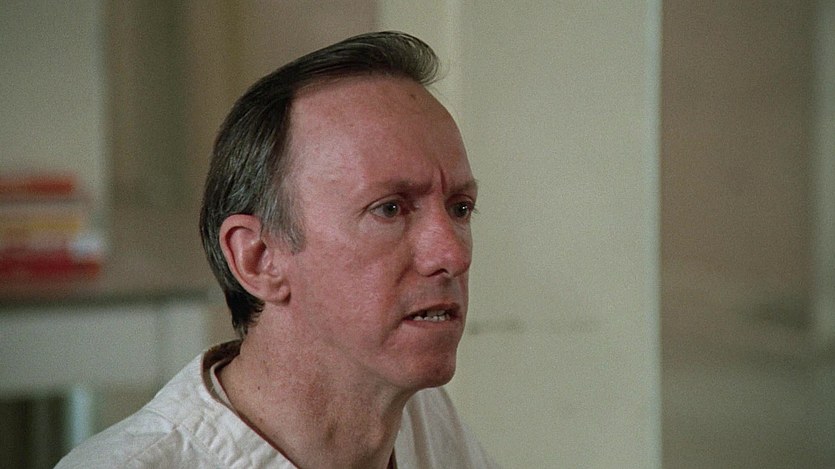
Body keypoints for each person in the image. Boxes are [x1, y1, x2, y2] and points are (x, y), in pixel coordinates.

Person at [56, 31, 497, 468]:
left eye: (460, 208)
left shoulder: (428, 422)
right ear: (258, 258)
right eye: (389, 209)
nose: (453, 256)